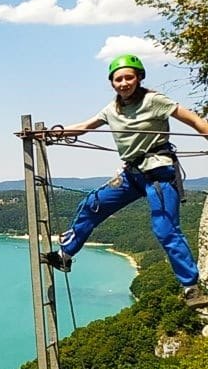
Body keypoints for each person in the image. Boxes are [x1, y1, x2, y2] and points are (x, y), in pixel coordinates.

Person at [42, 54, 208, 307]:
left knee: (165, 228)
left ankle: (191, 288)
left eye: (128, 77)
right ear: (112, 83)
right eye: (117, 79)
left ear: (139, 78)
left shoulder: (154, 100)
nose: (123, 83)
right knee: (92, 204)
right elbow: (86, 126)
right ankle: (65, 255)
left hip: (159, 172)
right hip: (132, 173)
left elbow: (194, 120)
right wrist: (52, 134)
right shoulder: (112, 109)